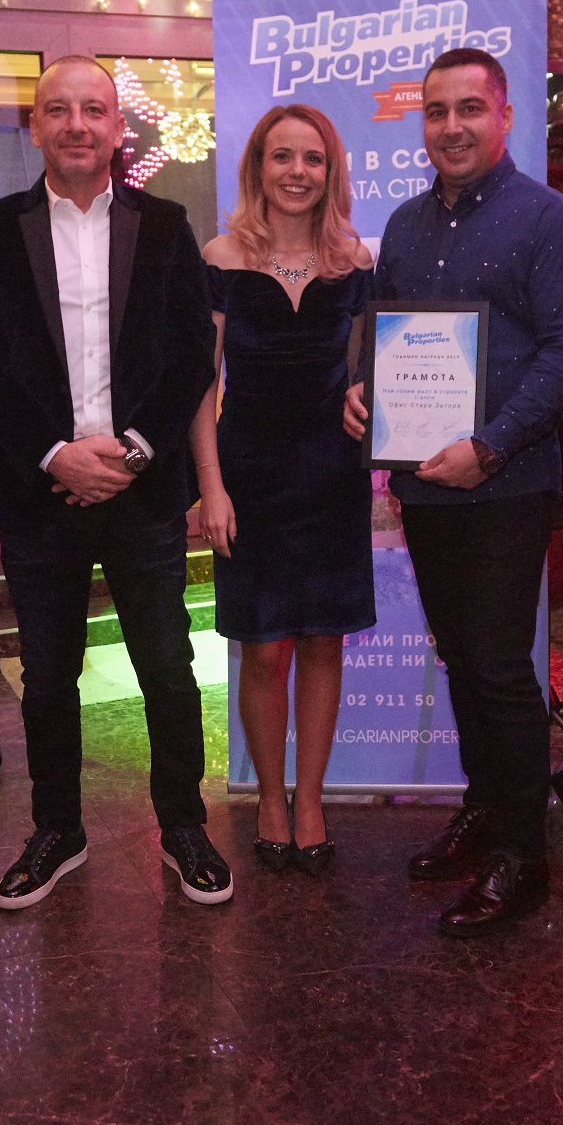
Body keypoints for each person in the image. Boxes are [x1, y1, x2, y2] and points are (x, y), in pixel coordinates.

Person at [0, 56, 229, 909]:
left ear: (118, 127)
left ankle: (183, 825)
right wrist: (55, 454)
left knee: (168, 667)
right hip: (38, 490)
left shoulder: (167, 225)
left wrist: (134, 452)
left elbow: (191, 352)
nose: (77, 124)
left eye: (94, 109)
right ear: (35, 126)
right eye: (58, 109)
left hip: (143, 488)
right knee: (46, 675)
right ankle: (57, 830)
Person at [344, 48, 563, 935]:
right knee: (460, 656)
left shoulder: (550, 221)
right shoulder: (406, 225)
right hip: (424, 486)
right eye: (436, 111)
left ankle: (523, 856)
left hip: (506, 484)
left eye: (469, 109)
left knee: (498, 666)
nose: (451, 127)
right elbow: (384, 335)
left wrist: (489, 448)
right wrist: (361, 392)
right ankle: (486, 809)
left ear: (504, 116)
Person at [194, 104, 377, 877]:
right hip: (250, 477)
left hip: (332, 477)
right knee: (264, 650)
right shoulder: (221, 256)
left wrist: (368, 400)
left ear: (330, 171)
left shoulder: (356, 261)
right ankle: (270, 797)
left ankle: (310, 800)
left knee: (323, 641)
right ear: (258, 168)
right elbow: (200, 387)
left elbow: (369, 371)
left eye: (312, 158)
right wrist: (210, 488)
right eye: (282, 157)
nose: (297, 172)